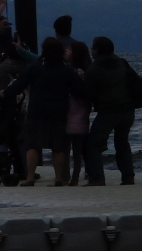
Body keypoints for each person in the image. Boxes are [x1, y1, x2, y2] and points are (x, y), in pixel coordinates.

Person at [0, 36, 84, 186]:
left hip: (37, 112)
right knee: (57, 147)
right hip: (59, 113)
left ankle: (30, 177)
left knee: (32, 145)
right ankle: (59, 178)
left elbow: (20, 84)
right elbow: (79, 90)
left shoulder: (36, 67)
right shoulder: (66, 69)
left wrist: (5, 93)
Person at [84, 36, 136, 186]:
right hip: (128, 110)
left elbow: (88, 93)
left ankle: (97, 178)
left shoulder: (94, 69)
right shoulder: (122, 63)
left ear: (97, 51)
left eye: (93, 48)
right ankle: (128, 176)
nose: (91, 51)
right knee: (122, 142)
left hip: (108, 111)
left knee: (93, 144)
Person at [65, 41, 93, 186]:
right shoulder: (86, 72)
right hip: (81, 115)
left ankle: (71, 176)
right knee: (80, 148)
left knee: (71, 148)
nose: (66, 51)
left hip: (72, 113)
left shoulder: (74, 72)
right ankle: (79, 174)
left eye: (69, 49)